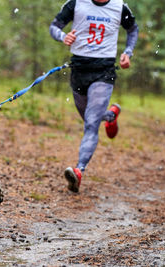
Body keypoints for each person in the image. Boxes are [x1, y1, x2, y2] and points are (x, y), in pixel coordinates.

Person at [49, 0, 139, 192]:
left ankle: (78, 171)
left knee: (91, 124)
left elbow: (132, 29)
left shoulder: (119, 6)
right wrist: (63, 36)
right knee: (90, 118)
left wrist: (127, 52)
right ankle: (111, 116)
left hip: (104, 71)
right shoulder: (76, 3)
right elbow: (54, 27)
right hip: (79, 70)